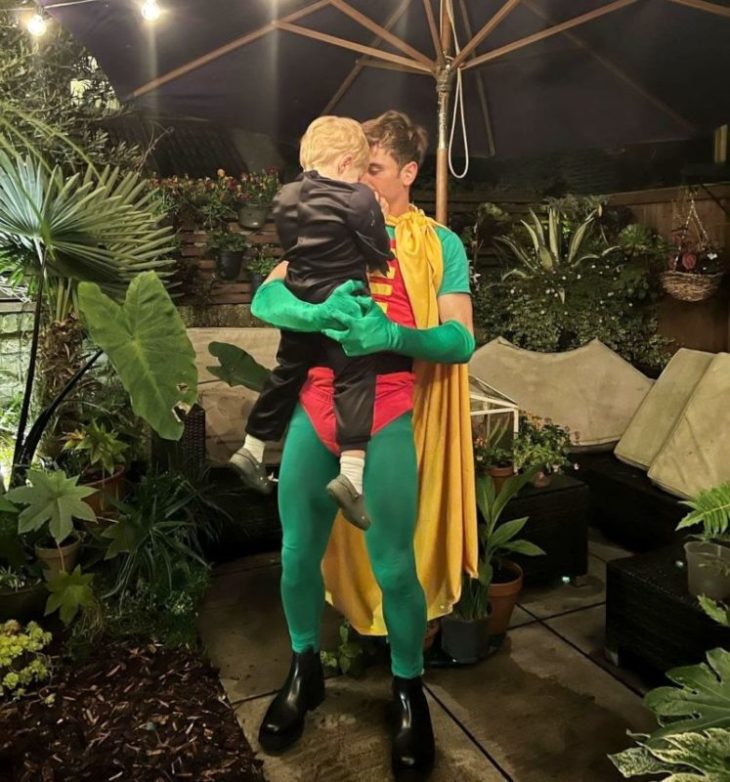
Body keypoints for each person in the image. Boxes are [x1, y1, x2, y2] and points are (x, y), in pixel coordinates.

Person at [249, 110, 478, 777]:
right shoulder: (329, 221)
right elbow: (267, 299)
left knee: (396, 568)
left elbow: (460, 340)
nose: (357, 181)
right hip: (314, 410)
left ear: (407, 172)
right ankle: (304, 670)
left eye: (371, 169)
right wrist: (313, 312)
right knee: (297, 557)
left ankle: (408, 690)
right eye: (352, 169)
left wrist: (394, 336)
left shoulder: (442, 245)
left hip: (387, 412)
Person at [229, 116, 392, 530]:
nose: (360, 179)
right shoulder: (358, 198)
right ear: (346, 162)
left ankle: (252, 446)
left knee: (287, 372)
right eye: (358, 171)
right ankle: (350, 477)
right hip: (343, 301)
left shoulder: (286, 195)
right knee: (355, 376)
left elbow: (295, 248)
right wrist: (380, 228)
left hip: (301, 299)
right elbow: (377, 249)